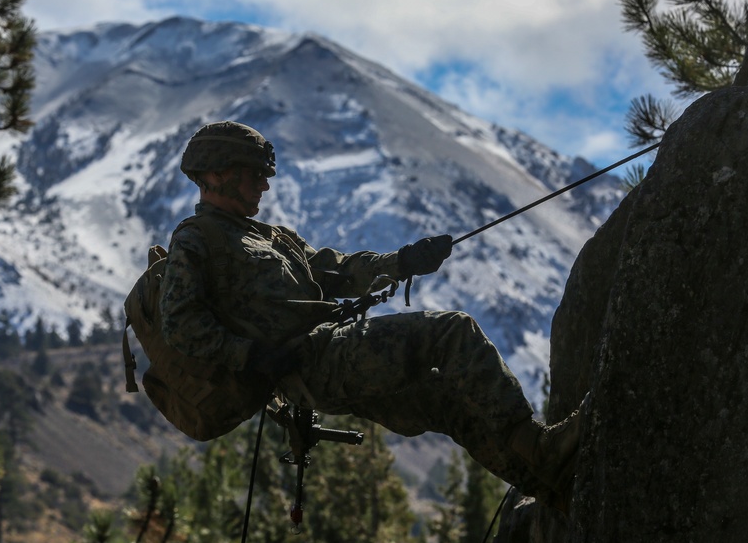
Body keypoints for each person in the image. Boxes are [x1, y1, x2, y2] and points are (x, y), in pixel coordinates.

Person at [159, 120, 583, 508]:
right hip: (315, 363)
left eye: (264, 176)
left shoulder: (273, 236)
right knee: (452, 333)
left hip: (330, 362)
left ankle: (550, 486)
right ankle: (541, 448)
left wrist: (403, 262)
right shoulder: (197, 239)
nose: (264, 186)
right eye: (253, 174)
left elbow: (338, 270)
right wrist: (250, 355)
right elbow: (179, 322)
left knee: (447, 404)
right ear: (214, 174)